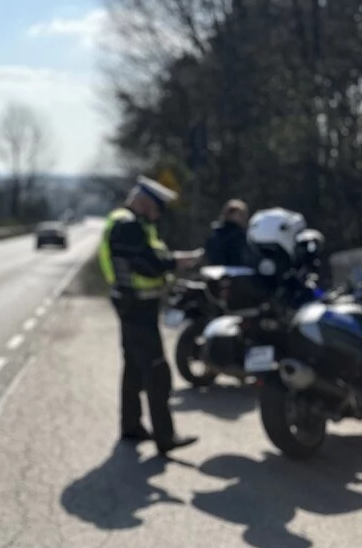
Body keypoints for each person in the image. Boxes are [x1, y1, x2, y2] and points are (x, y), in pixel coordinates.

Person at [99, 176, 202, 455]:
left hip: (129, 304)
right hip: (138, 308)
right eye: (156, 210)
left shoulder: (121, 222)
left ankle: (131, 426)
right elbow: (147, 264)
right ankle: (165, 436)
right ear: (144, 203)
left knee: (133, 369)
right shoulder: (130, 226)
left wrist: (171, 261)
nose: (157, 217)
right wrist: (179, 262)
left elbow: (145, 258)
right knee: (157, 372)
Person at [204, 198, 254, 267]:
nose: (244, 217)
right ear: (229, 215)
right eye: (241, 214)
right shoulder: (218, 233)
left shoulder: (245, 232)